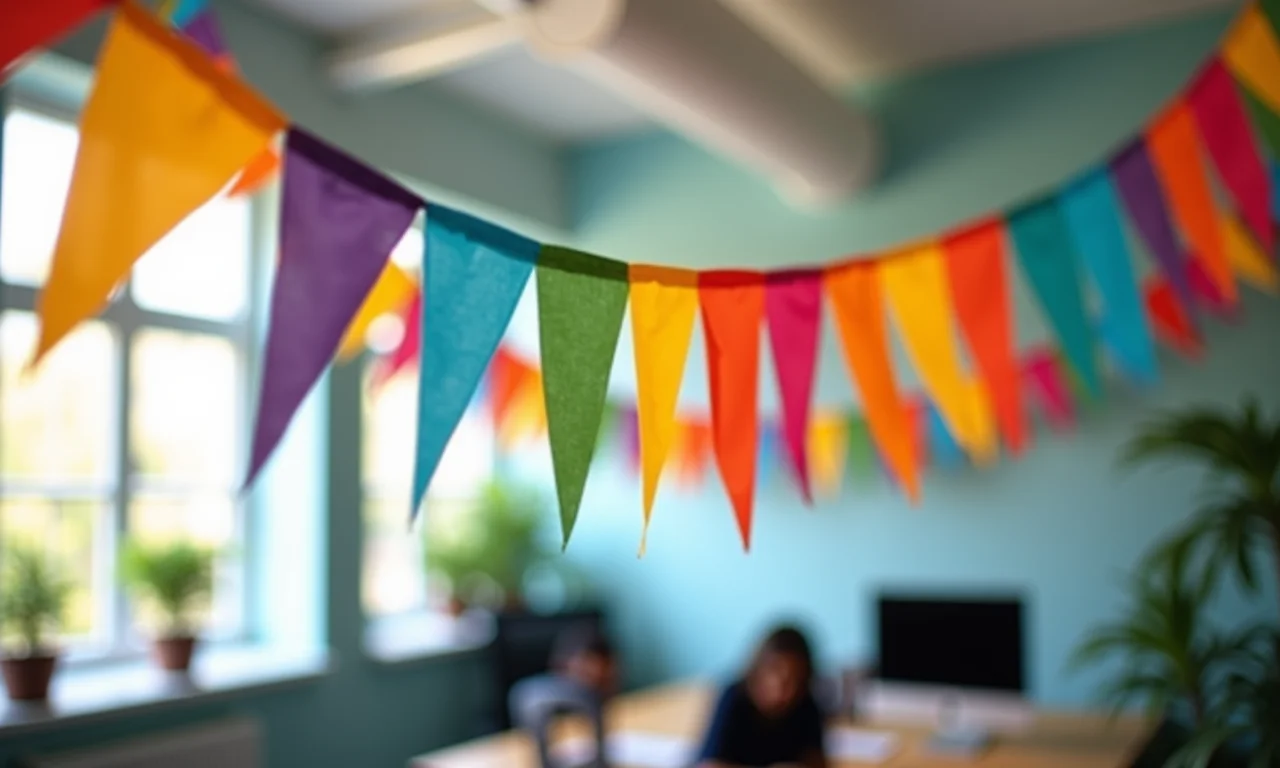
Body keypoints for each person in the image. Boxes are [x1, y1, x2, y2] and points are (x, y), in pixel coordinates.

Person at [696, 625, 828, 768]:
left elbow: (818, 761)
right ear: (759, 668)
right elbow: (708, 764)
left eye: (795, 679)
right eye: (775, 670)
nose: (781, 685)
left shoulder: (807, 705)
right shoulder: (735, 698)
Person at [510, 623, 620, 768]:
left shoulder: (595, 701)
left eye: (604, 677)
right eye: (586, 673)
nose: (595, 680)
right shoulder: (538, 700)